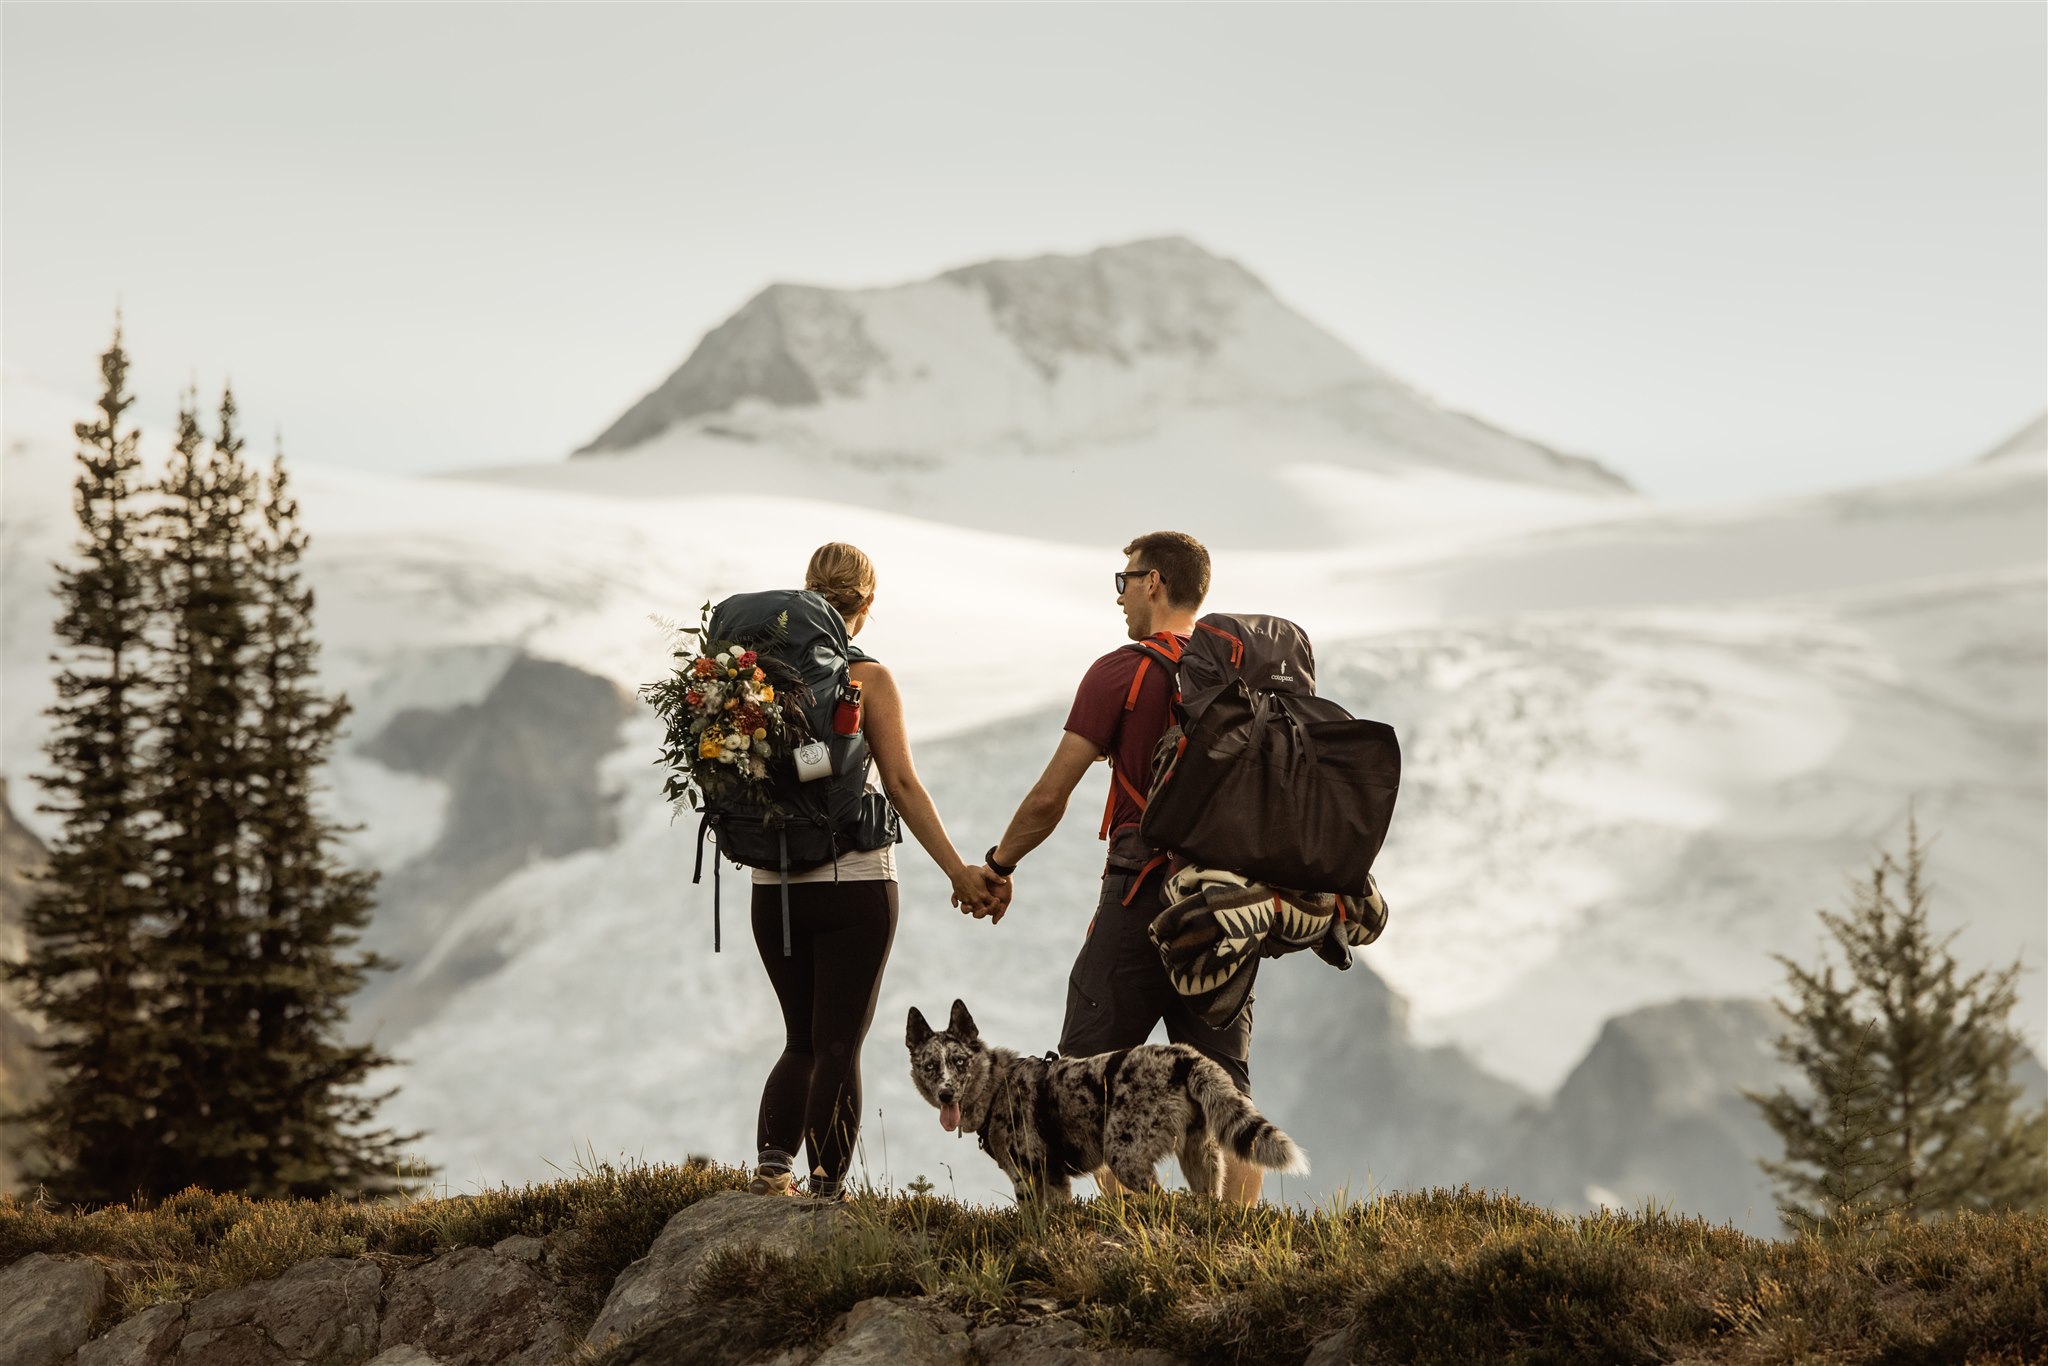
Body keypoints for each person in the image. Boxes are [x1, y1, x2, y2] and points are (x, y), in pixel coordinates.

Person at [973, 531, 1268, 1205]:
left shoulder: (1122, 672)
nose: (1120, 597)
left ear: (1153, 583)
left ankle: (1124, 1251)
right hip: (1224, 909)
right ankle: (1239, 1257)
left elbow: (1052, 795)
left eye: (1124, 580)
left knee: (1082, 1082)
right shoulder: (1245, 674)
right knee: (1227, 1094)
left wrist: (999, 864)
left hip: (1142, 899)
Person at [747, 542, 1004, 1200]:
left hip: (771, 887)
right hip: (854, 882)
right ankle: (828, 1187)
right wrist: (958, 872)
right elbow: (903, 787)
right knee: (838, 1044)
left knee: (798, 1038)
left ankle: (773, 1168)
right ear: (865, 606)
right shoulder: (870, 678)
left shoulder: (759, 678)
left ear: (804, 594)